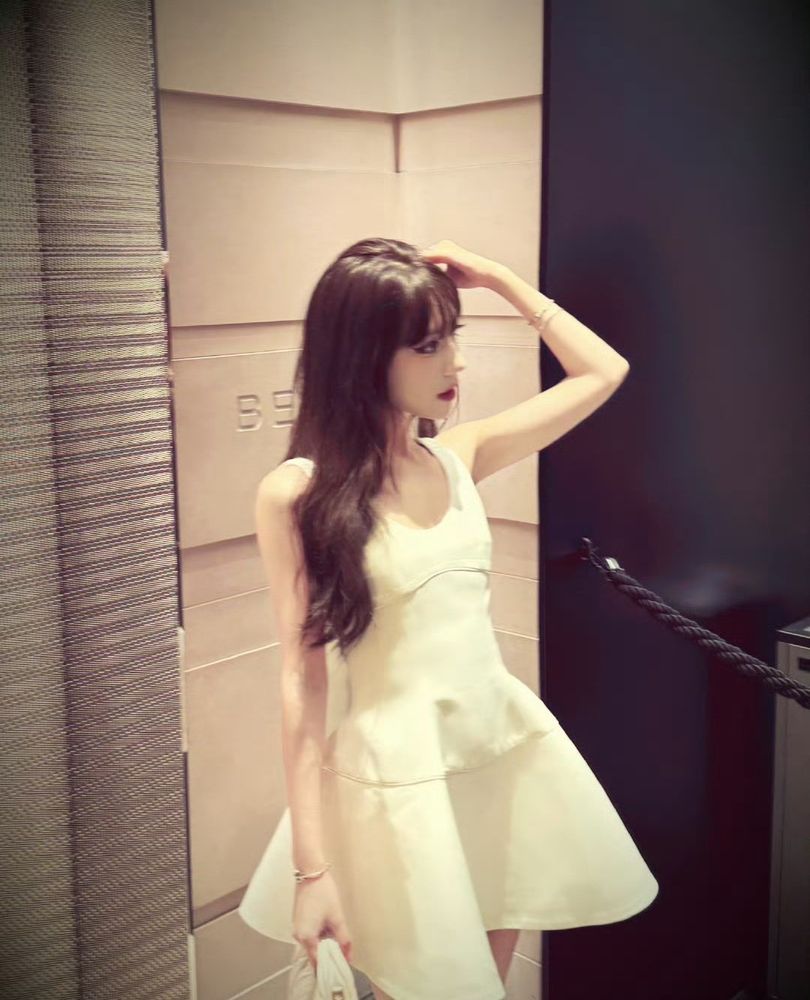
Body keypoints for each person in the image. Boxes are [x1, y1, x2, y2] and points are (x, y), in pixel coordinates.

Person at [238, 238, 658, 1000]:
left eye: (453, 337)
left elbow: (604, 371)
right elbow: (301, 683)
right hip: (398, 784)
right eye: (429, 345)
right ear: (364, 355)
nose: (455, 363)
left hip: (495, 756)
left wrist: (499, 278)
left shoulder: (459, 456)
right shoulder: (297, 493)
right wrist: (311, 870)